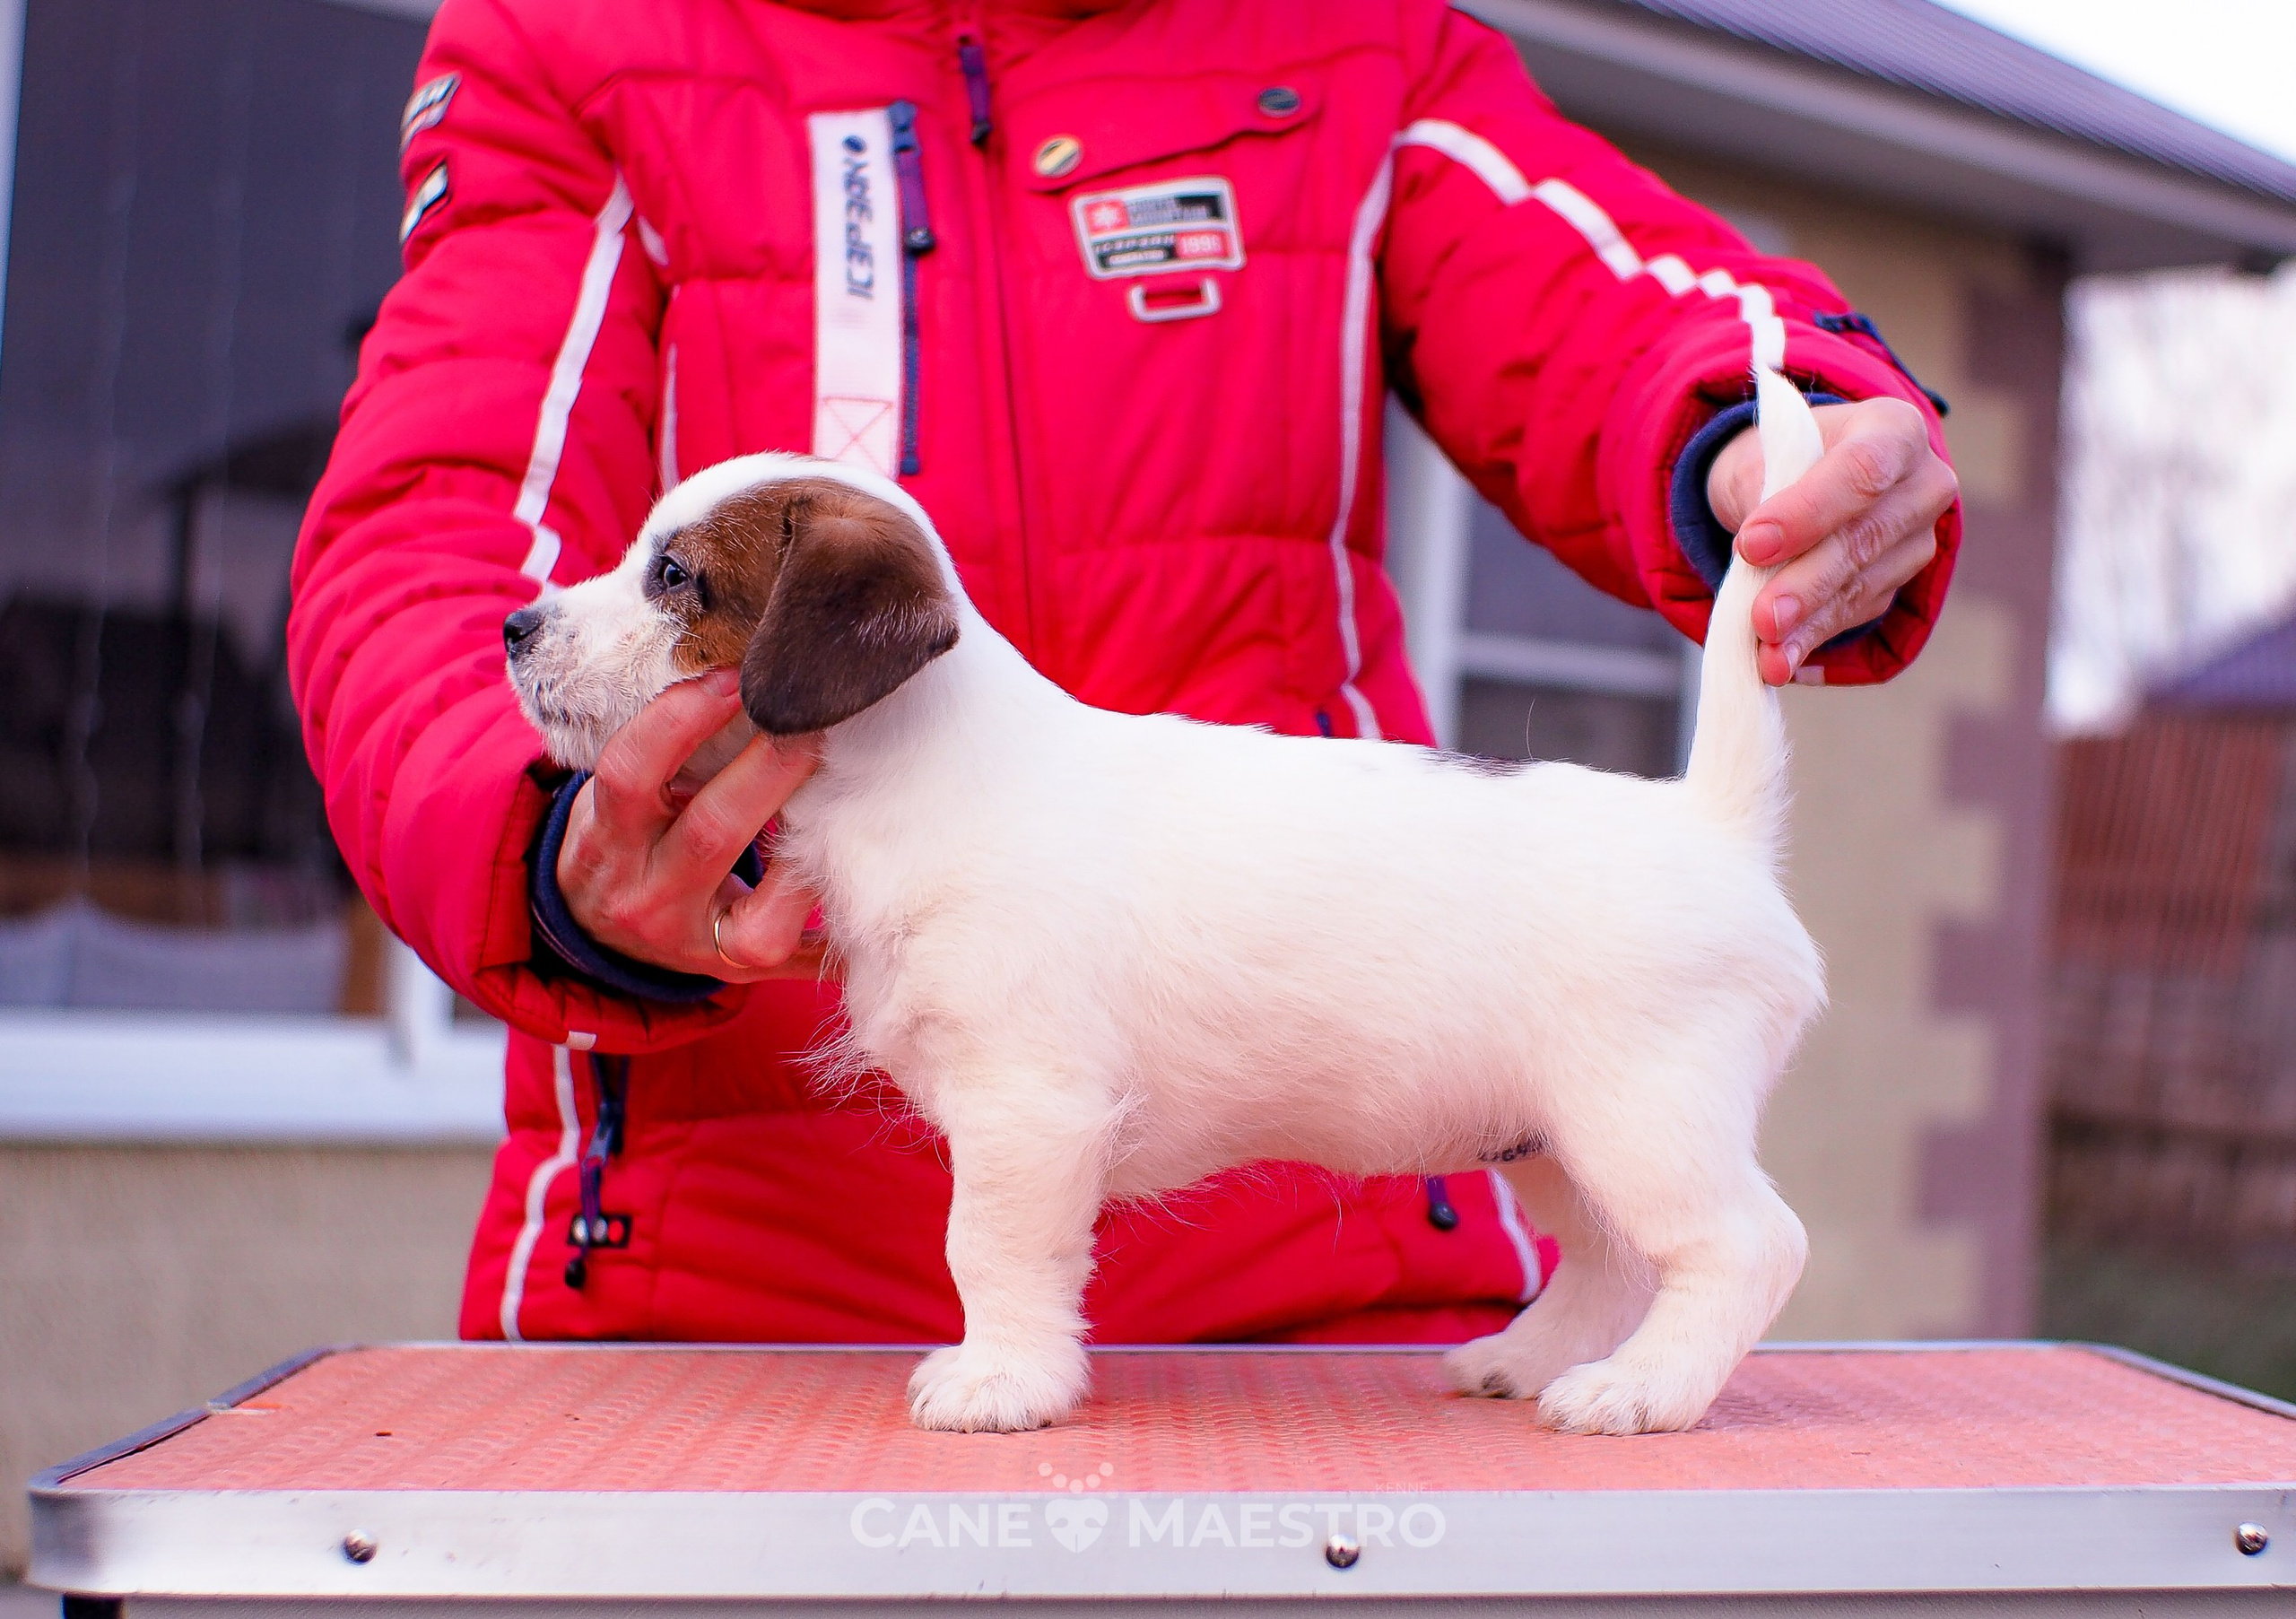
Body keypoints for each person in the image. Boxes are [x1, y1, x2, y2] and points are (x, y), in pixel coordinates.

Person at [290, 0, 1959, 1346]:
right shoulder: (575, 40)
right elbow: (435, 533)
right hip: (718, 1302)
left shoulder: (1351, 39)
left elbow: (1612, 289)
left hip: (1342, 1302)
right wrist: (544, 844)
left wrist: (1770, 427)